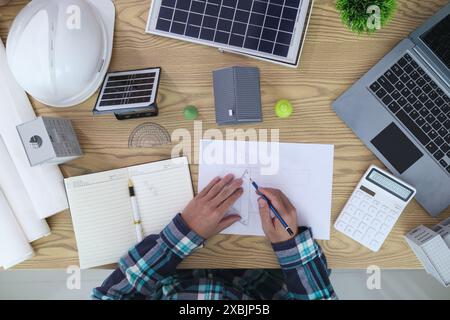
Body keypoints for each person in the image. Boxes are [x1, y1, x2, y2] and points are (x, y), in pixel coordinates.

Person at [92, 174, 337, 300]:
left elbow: (111, 296)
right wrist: (290, 245)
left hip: (169, 272)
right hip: (264, 274)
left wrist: (182, 234)